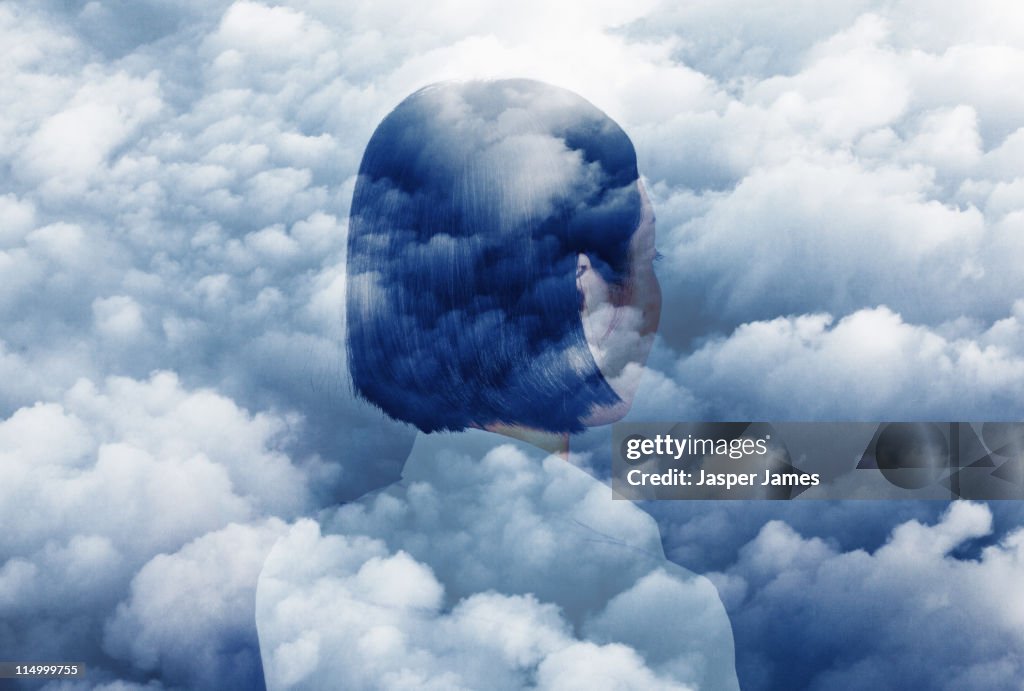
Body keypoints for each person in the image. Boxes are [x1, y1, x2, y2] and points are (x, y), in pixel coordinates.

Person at [256, 79, 739, 690]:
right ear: (585, 288)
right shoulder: (660, 613)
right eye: (646, 261)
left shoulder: (302, 567)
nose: (653, 295)